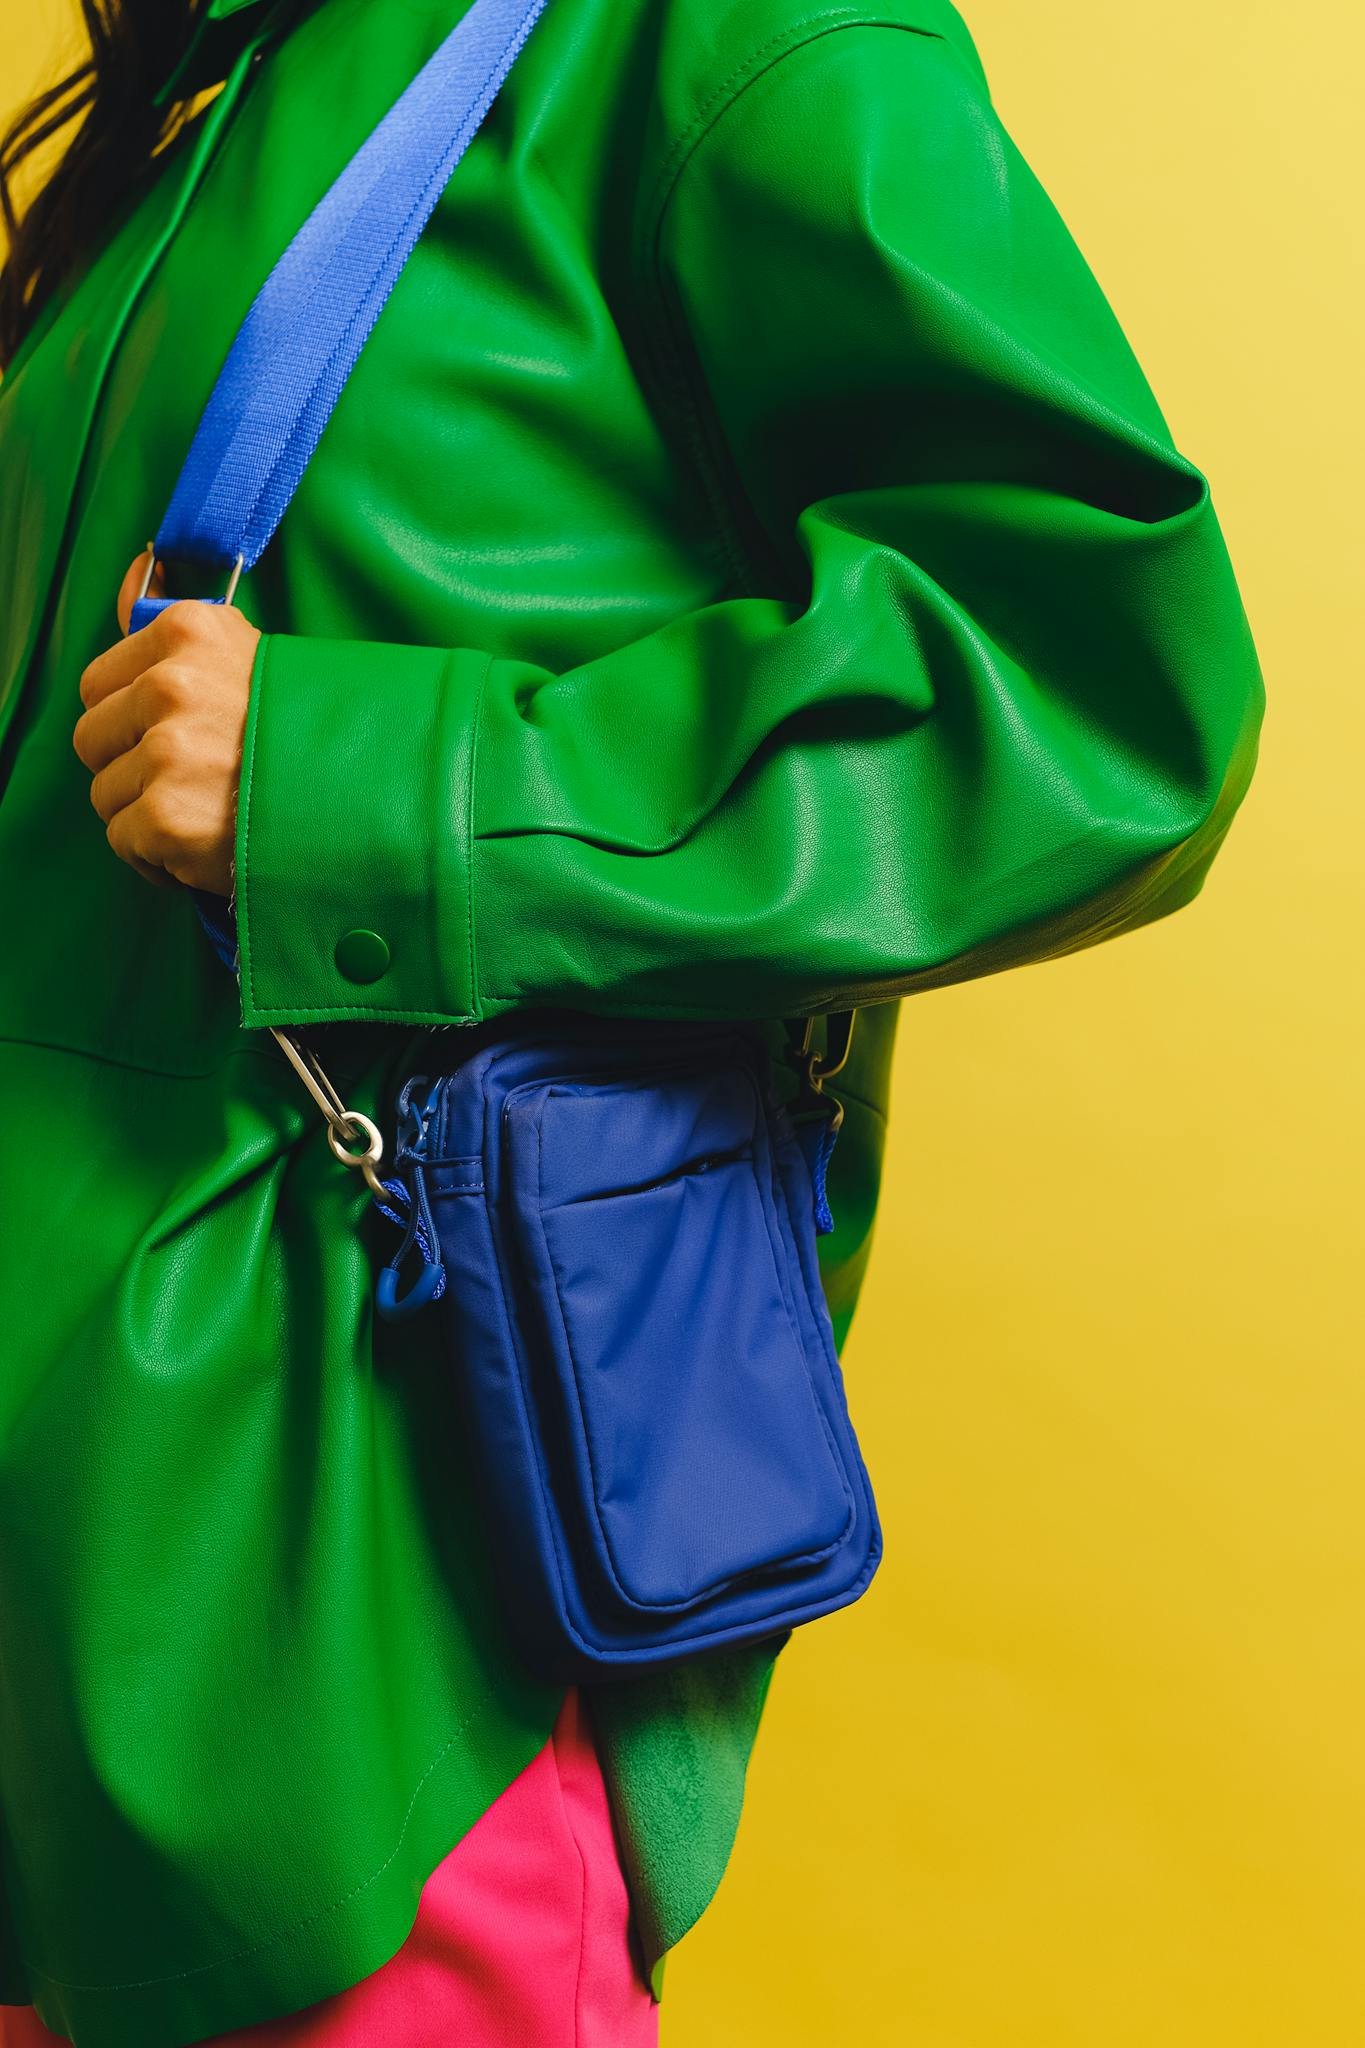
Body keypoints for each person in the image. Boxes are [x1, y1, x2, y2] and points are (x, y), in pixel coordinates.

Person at [0, 0, 1265, 2042]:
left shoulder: (708, 31)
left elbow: (1098, 688)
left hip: (351, 1678)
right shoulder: (212, 94)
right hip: (62, 1690)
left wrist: (352, 784)